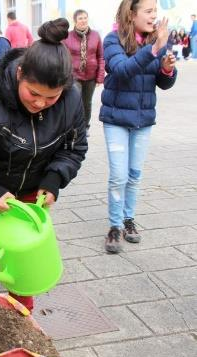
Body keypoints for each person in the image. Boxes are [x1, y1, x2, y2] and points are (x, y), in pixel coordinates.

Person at [0, 18, 88, 310]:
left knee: (24, 265)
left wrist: (53, 181)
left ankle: (23, 323)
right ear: (20, 74)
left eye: (51, 97)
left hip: (30, 197)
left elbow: (73, 148)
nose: (40, 103)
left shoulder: (72, 100)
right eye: (34, 93)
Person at [100, 0, 177, 253]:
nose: (154, 16)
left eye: (155, 11)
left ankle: (128, 220)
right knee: (119, 175)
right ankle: (114, 226)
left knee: (134, 175)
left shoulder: (158, 41)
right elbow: (122, 70)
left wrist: (167, 70)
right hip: (116, 119)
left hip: (143, 119)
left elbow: (164, 83)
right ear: (132, 14)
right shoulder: (113, 40)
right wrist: (153, 49)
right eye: (148, 11)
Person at [63, 9, 104, 135]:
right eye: (80, 18)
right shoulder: (68, 36)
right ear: (75, 21)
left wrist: (100, 77)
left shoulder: (96, 35)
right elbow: (63, 56)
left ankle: (85, 127)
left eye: (85, 17)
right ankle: (74, 127)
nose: (83, 20)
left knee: (87, 103)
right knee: (75, 101)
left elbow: (100, 57)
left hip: (90, 76)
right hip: (74, 76)